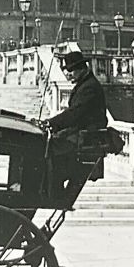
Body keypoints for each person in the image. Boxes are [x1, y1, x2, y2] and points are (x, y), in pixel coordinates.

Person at [38, 47, 108, 200]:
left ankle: (53, 194)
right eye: (67, 70)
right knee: (51, 147)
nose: (68, 74)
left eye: (71, 70)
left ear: (81, 69)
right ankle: (51, 192)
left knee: (52, 151)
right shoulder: (85, 84)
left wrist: (51, 123)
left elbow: (75, 114)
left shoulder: (89, 87)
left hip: (86, 138)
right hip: (80, 133)